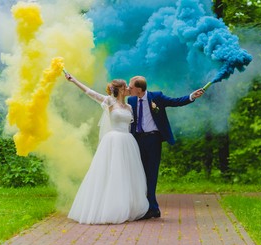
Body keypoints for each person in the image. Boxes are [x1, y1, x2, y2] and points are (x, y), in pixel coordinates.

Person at [64, 72, 149, 224]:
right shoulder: (109, 102)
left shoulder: (130, 105)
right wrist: (74, 80)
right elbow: (90, 92)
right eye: (126, 87)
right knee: (112, 173)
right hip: (113, 141)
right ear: (121, 89)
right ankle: (110, 208)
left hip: (128, 142)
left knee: (127, 175)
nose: (129, 88)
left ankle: (127, 206)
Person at [127, 76, 205, 220]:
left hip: (154, 140)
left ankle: (153, 208)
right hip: (137, 140)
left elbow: (175, 102)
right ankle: (145, 208)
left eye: (130, 87)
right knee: (140, 174)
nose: (128, 89)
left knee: (151, 174)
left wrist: (191, 96)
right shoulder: (130, 100)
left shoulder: (156, 96)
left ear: (139, 88)